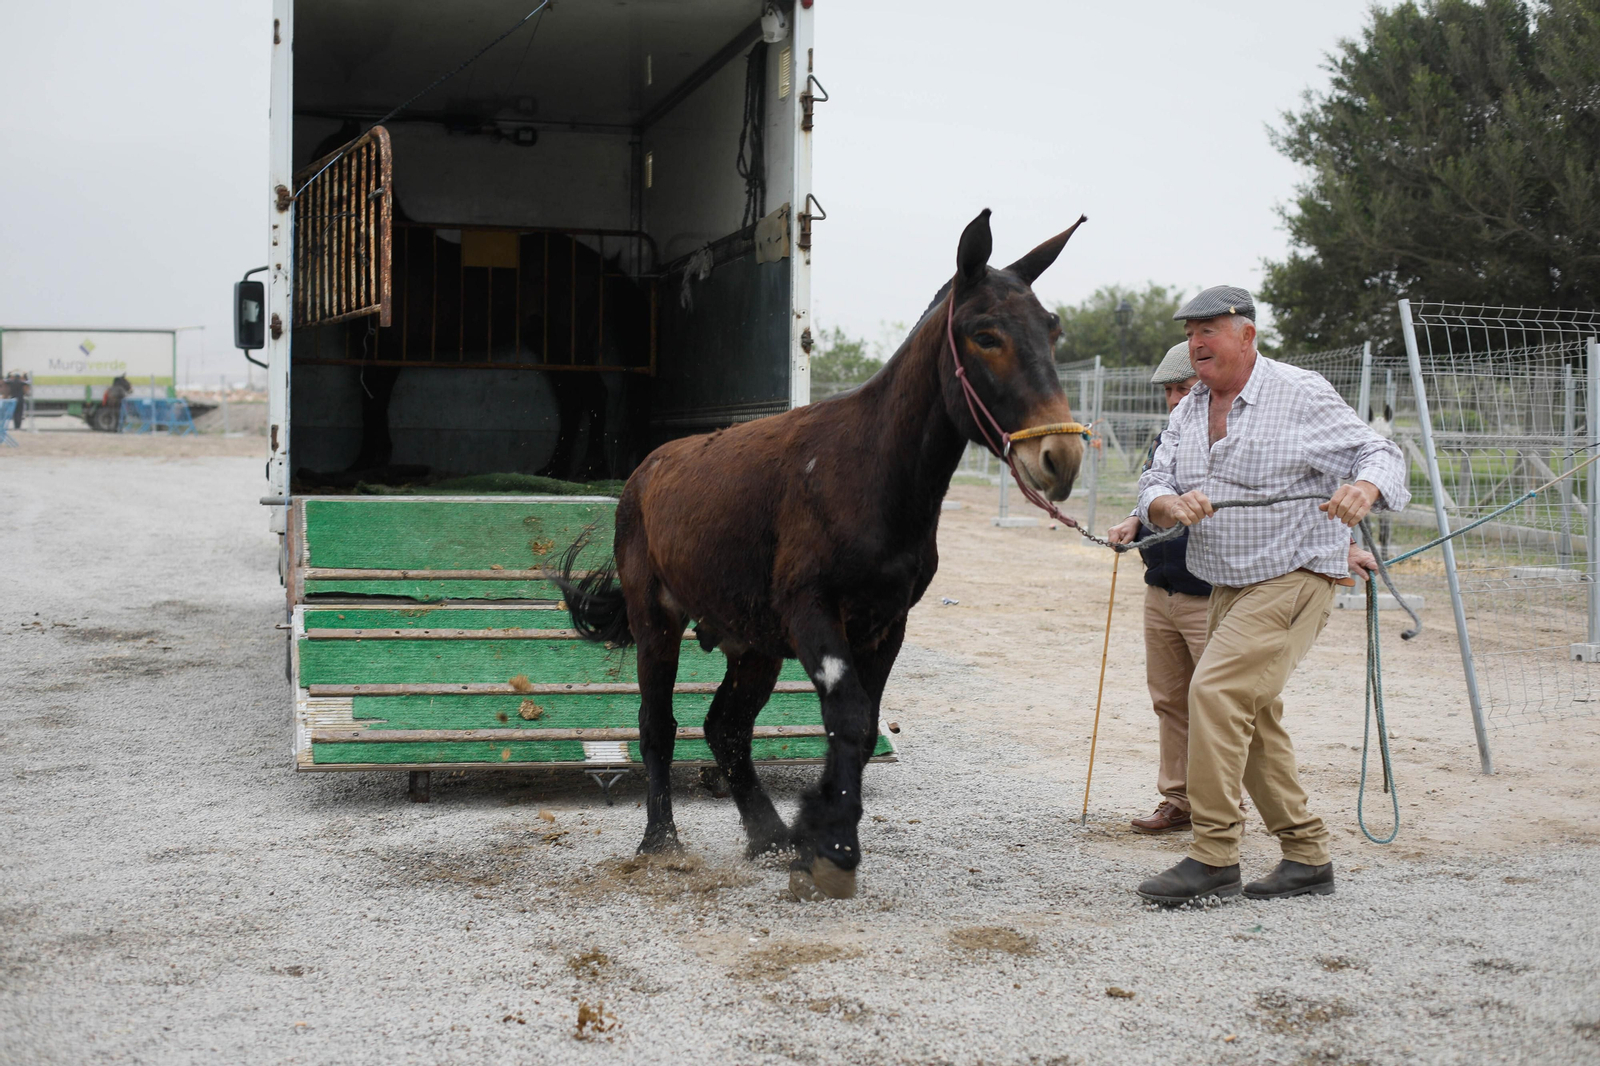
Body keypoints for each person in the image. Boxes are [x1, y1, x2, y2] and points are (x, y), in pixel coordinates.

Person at [1132, 285, 1407, 905]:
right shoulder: (1187, 409)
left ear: (1247, 334)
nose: (1197, 342)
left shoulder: (1300, 392)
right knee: (1250, 718)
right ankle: (1307, 857)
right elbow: (1154, 477)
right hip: (1225, 580)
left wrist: (1365, 487)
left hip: (1294, 574)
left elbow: (1379, 450)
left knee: (1216, 690)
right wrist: (1165, 504)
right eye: (1191, 331)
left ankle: (1214, 854)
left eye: (1211, 329)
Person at [1106, 343, 1213, 834]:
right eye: (1168, 390)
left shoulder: (1228, 432)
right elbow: (1155, 490)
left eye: (1183, 388)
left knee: (1221, 703)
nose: (1173, 398)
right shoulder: (1168, 435)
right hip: (1161, 588)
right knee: (1170, 700)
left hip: (1210, 595)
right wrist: (1134, 519)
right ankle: (1178, 801)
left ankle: (1220, 809)